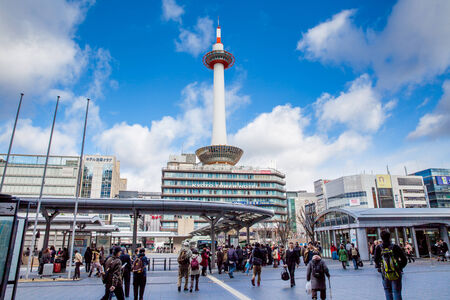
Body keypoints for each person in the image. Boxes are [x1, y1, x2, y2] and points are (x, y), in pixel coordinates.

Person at [375, 230, 408, 300]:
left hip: (385, 272)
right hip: (396, 271)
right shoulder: (395, 247)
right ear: (389, 237)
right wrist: (400, 267)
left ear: (381, 238)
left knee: (387, 291)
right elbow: (404, 259)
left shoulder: (379, 247)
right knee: (397, 291)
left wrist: (380, 267)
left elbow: (376, 260)